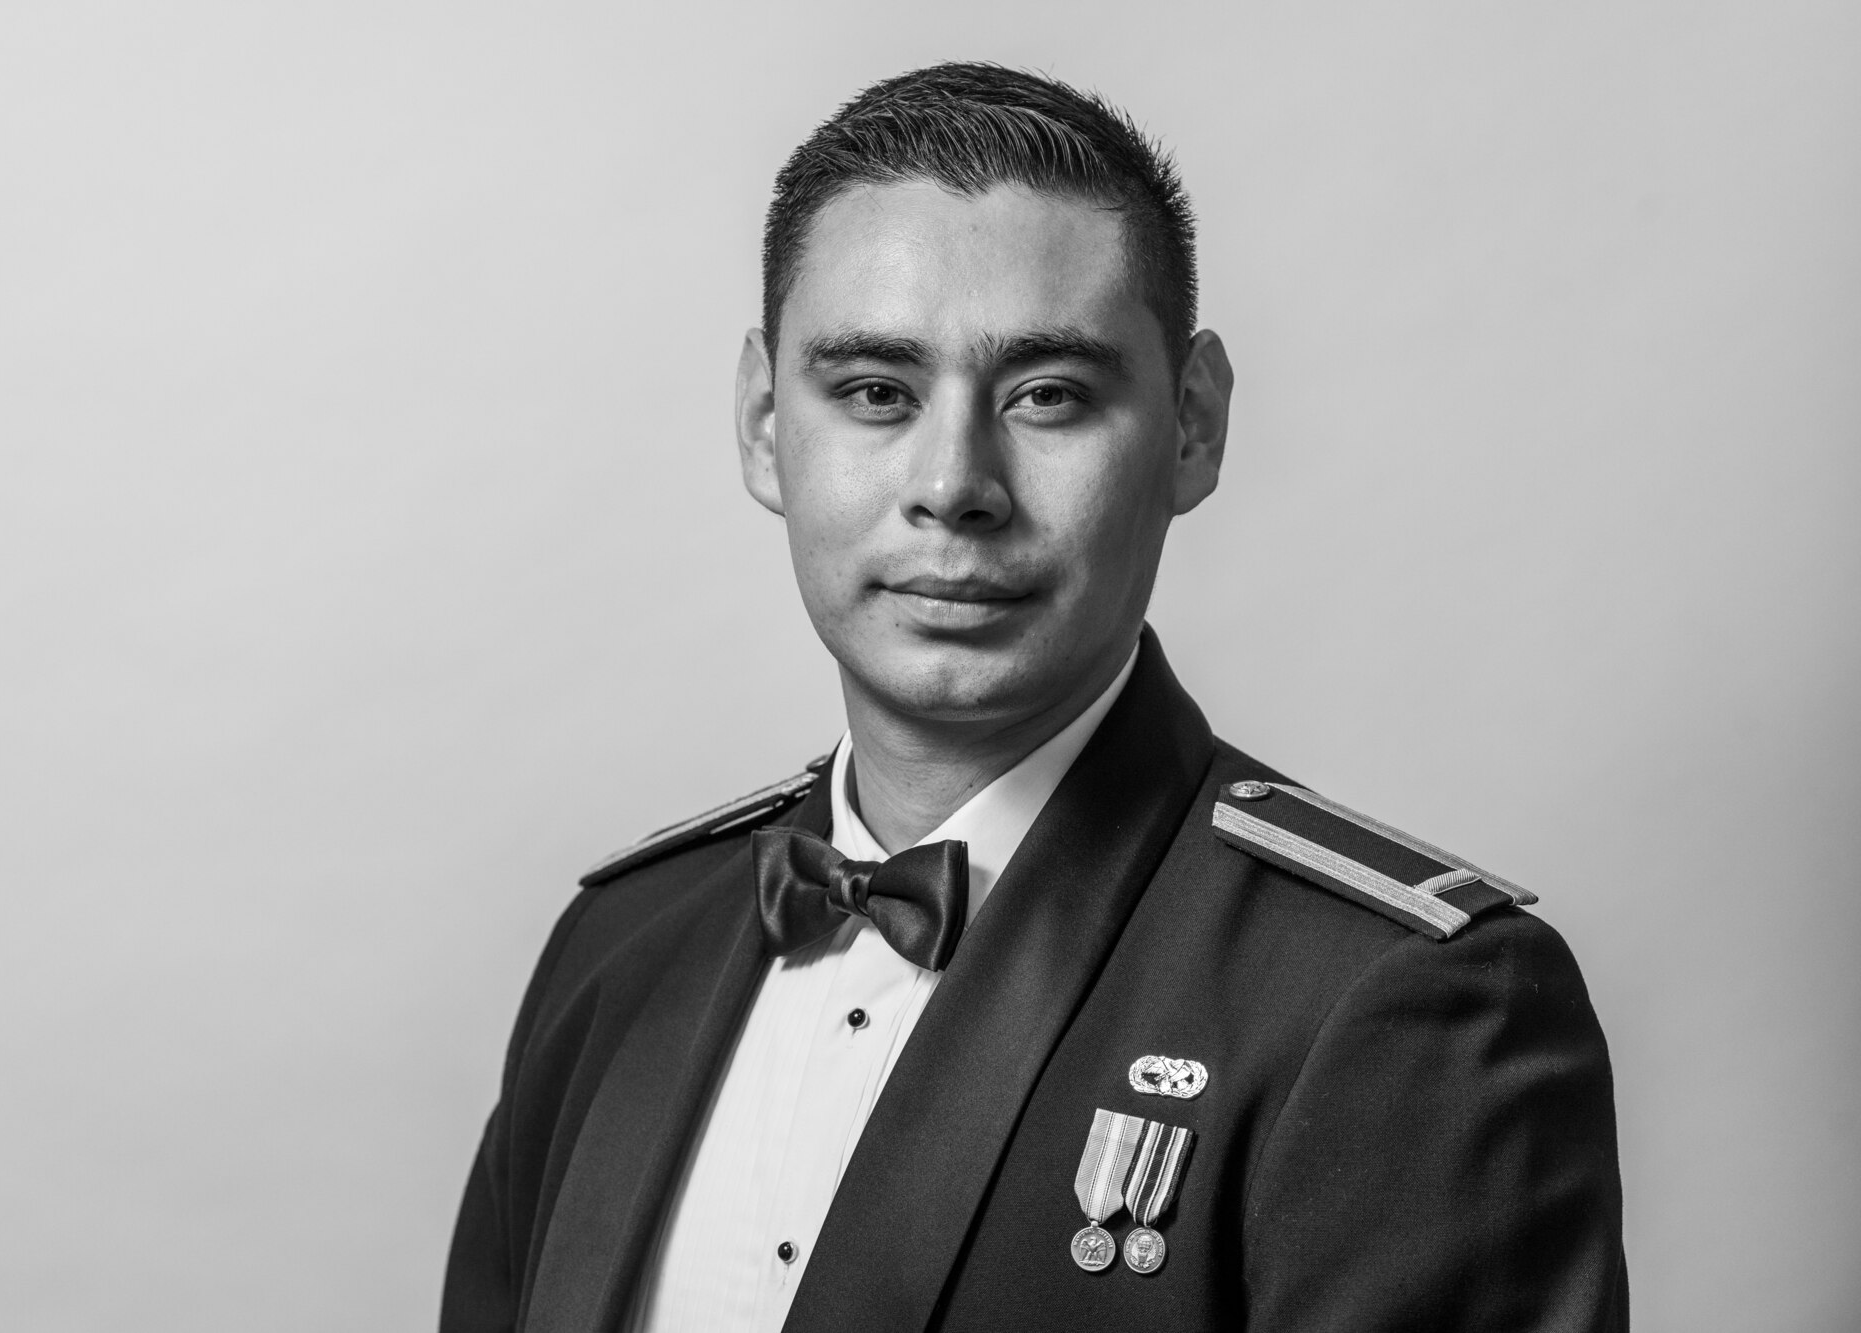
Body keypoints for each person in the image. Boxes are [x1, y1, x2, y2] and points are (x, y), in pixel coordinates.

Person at [441, 62, 1626, 1333]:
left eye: (1046, 396)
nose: (953, 484)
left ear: (1191, 425)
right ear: (760, 423)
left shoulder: (1399, 1009)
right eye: (875, 393)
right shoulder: (615, 951)